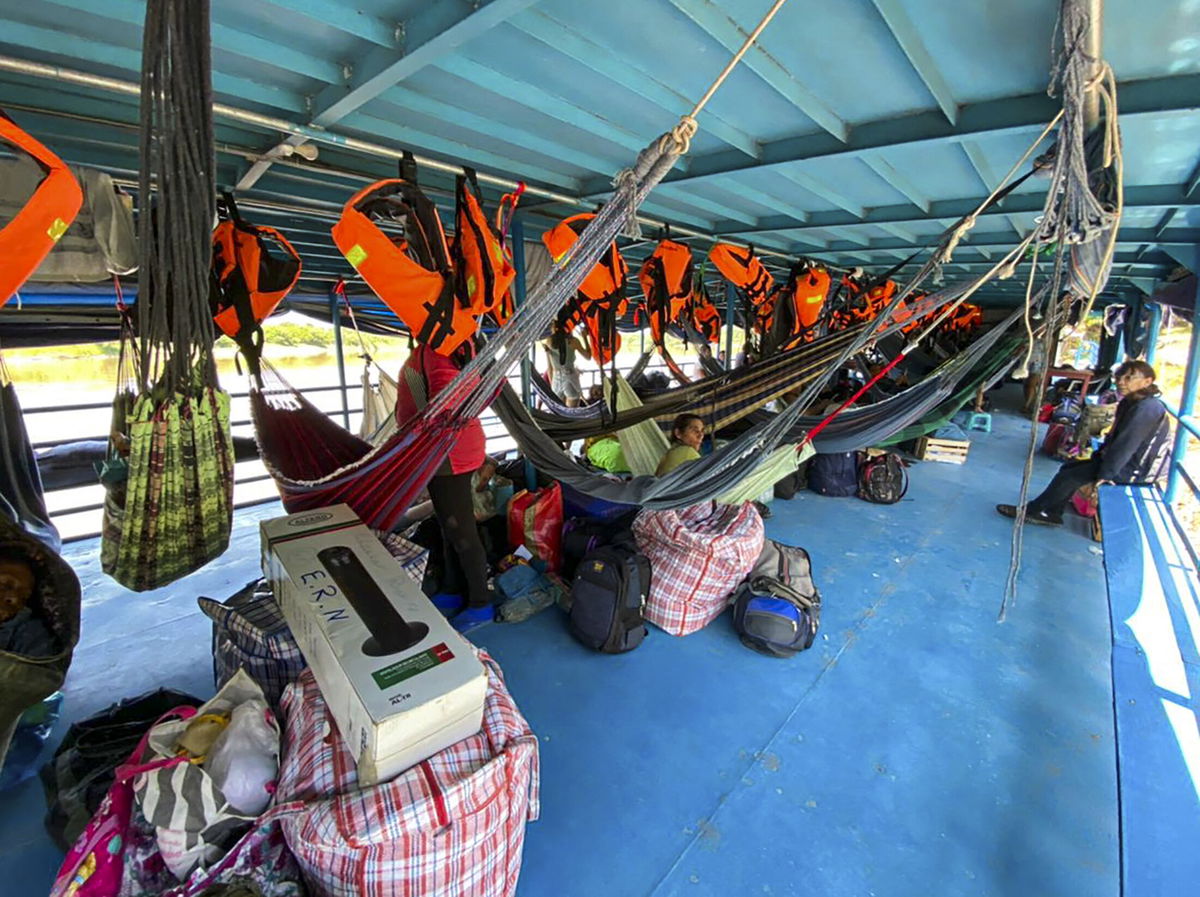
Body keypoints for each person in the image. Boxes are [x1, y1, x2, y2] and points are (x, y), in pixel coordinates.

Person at [395, 341, 495, 632]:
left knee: (461, 530)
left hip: (448, 451)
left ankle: (480, 603)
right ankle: (452, 588)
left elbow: (448, 400)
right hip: (442, 449)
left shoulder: (441, 346)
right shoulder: (445, 345)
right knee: (447, 525)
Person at [997, 360, 1171, 527]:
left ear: (1147, 381)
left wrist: (1106, 474)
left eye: (1128, 378)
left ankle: (1033, 511)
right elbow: (1116, 438)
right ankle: (1052, 513)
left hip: (1137, 469)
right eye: (1119, 377)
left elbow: (1126, 445)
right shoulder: (1130, 401)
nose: (1121, 382)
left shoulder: (1147, 408)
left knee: (1071, 476)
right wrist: (1100, 456)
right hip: (1123, 461)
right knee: (1069, 468)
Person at [542, 326, 590, 407]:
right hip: (570, 377)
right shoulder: (573, 341)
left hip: (556, 379)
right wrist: (585, 338)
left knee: (559, 413)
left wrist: (552, 385)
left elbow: (550, 367)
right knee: (572, 413)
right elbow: (588, 356)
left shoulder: (549, 342)